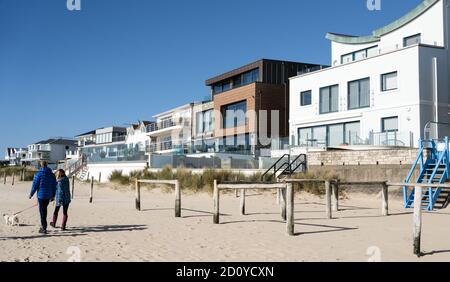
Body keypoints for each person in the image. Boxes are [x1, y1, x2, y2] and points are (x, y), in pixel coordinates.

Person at [29, 161, 57, 234]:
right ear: (46, 165)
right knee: (44, 210)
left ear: (41, 165)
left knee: (42, 212)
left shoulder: (38, 174)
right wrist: (53, 195)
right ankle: (43, 226)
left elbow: (35, 185)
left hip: (41, 196)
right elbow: (54, 186)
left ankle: (44, 228)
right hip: (48, 196)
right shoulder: (52, 175)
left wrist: (31, 194)